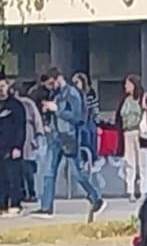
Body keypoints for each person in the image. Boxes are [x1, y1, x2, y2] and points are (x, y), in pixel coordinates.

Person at [37, 66, 105, 220]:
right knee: (48, 172)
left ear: (58, 79)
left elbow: (77, 117)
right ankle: (46, 207)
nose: (49, 87)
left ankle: (96, 196)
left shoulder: (72, 93)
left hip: (69, 137)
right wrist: (48, 118)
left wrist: (57, 109)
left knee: (77, 173)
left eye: (50, 83)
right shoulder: (56, 94)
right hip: (55, 136)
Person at [117, 75, 147, 200]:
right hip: (127, 132)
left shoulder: (144, 97)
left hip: (141, 132)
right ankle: (131, 191)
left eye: (128, 84)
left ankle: (144, 191)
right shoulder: (125, 100)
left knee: (143, 163)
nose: (125, 86)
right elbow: (119, 117)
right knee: (130, 162)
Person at [0, 72, 26, 215]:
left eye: (3, 86)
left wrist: (18, 146)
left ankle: (16, 203)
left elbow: (20, 127)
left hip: (11, 147)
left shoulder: (16, 106)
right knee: (1, 178)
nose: (1, 89)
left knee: (14, 176)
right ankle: (2, 204)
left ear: (8, 86)